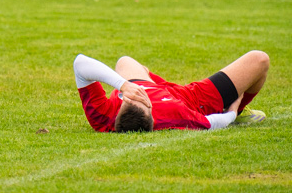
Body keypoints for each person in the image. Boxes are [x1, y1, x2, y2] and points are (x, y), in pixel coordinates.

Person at [73, 52, 269, 132]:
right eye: (141, 96)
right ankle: (244, 111)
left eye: (128, 98)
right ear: (150, 107)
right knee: (260, 60)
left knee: (124, 61)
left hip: (155, 86)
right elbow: (211, 123)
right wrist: (233, 111)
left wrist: (124, 85)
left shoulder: (102, 117)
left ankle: (151, 83)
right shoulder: (175, 117)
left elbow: (80, 63)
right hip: (193, 98)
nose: (138, 92)